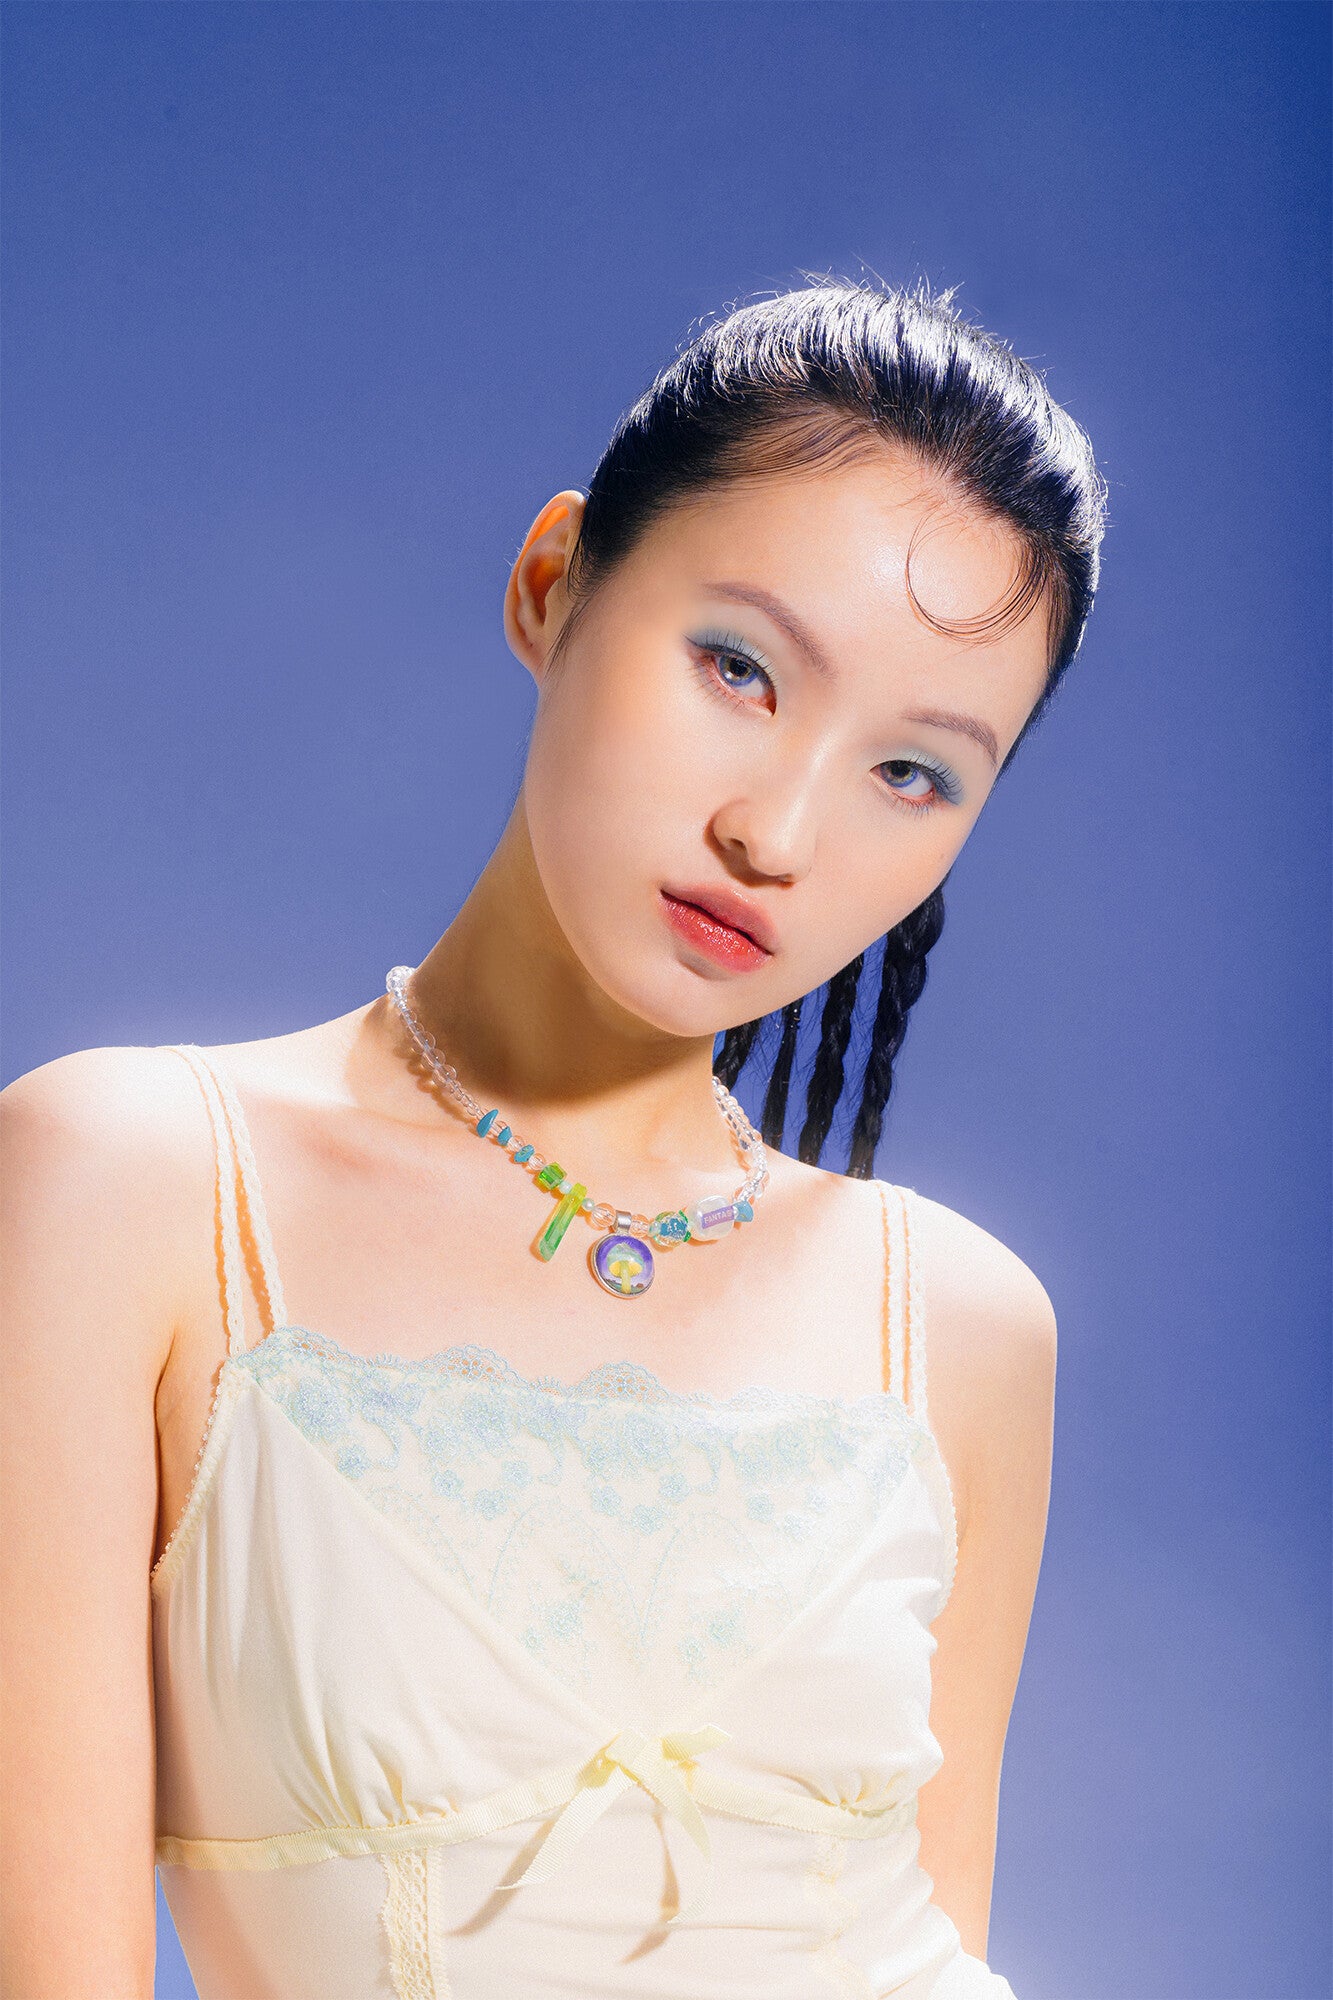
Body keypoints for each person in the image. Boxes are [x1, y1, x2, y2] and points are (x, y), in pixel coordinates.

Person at [1, 276, 1107, 1998]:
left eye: (912, 773)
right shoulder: (128, 1182)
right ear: (551, 584)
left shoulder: (959, 1324)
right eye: (737, 667)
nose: (775, 833)